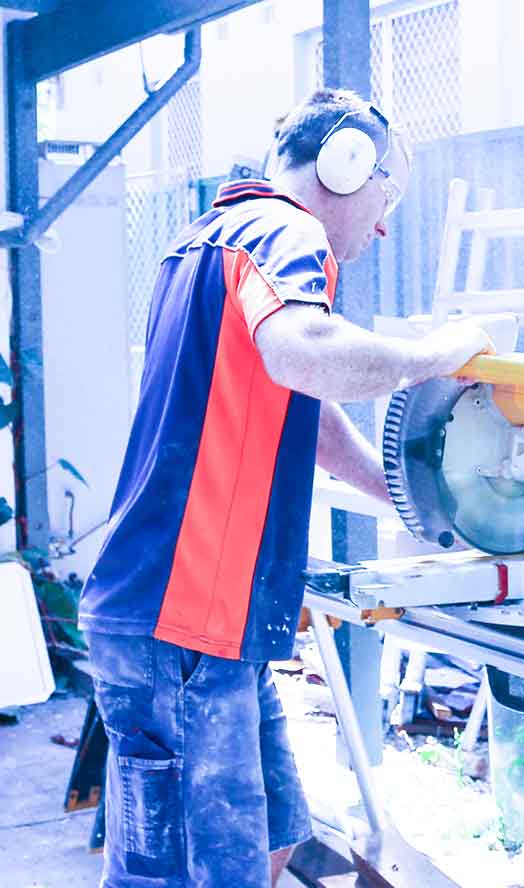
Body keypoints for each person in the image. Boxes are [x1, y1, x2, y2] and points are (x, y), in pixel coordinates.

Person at [77, 88, 492, 887]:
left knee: (271, 841)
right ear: (344, 166)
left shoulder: (205, 239)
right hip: (184, 630)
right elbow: (303, 352)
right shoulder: (283, 230)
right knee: (195, 878)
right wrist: (434, 355)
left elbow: (300, 399)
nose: (382, 223)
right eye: (386, 196)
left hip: (198, 632)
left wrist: (408, 497)